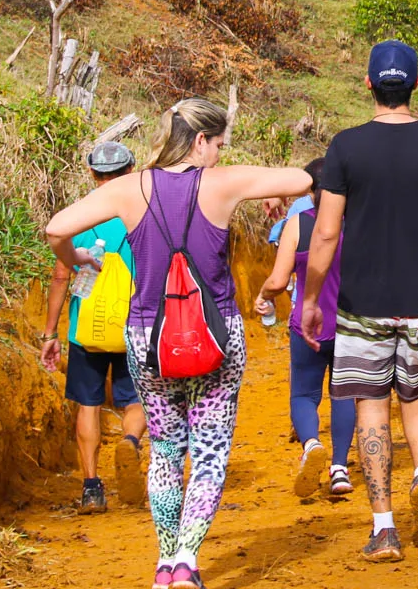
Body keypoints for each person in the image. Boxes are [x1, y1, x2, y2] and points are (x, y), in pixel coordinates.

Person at [45, 98, 311, 589]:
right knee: (209, 453)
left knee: (166, 449)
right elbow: (300, 180)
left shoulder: (129, 188)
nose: (219, 153)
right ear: (201, 142)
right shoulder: (222, 183)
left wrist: (78, 255)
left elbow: (56, 228)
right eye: (218, 145)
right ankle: (188, 560)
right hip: (216, 335)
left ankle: (164, 564)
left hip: (147, 338)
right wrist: (257, 188)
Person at [299, 40, 418, 564]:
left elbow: (327, 234)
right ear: (416, 85)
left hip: (362, 303)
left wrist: (312, 297)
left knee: (371, 403)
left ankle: (384, 528)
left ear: (369, 85)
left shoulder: (345, 148)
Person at [38, 140, 147, 514]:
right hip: (136, 323)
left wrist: (51, 333)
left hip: (86, 326)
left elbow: (60, 276)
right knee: (137, 399)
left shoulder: (77, 216)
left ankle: (91, 488)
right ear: (130, 171)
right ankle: (130, 442)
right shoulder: (144, 214)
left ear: (92, 174)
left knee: (88, 404)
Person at [255, 158, 357, 499]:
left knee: (303, 394)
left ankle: (312, 444)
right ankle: (340, 468)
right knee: (344, 394)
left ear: (309, 191)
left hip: (307, 325)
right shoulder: (356, 224)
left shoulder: (297, 223)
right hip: (351, 323)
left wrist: (263, 294)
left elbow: (278, 279)